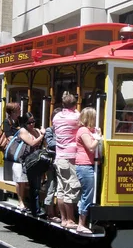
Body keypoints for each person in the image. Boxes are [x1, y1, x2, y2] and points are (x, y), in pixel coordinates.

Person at [52, 92, 81, 229]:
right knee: (71, 188)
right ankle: (70, 219)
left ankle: (63, 218)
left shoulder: (57, 117)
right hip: (70, 157)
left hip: (59, 157)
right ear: (75, 104)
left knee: (61, 189)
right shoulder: (76, 117)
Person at [75, 107, 101, 234]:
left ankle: (82, 222)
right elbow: (91, 147)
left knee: (87, 193)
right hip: (84, 165)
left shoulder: (86, 130)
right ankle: (81, 224)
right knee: (87, 194)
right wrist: (98, 138)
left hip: (86, 165)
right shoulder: (83, 130)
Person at [14, 112, 45, 212]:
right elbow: (32, 143)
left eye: (33, 121)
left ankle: (34, 204)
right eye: (29, 122)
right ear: (25, 123)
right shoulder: (22, 131)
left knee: (33, 182)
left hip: (33, 160)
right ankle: (20, 202)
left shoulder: (36, 131)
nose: (32, 124)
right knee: (21, 181)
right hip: (21, 160)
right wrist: (42, 135)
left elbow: (43, 143)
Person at [43, 107, 62, 222]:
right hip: (52, 161)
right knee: (51, 186)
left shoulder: (64, 130)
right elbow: (50, 144)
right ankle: (49, 212)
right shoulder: (50, 130)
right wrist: (64, 140)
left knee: (61, 187)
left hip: (61, 160)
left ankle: (58, 211)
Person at [3, 102, 21, 184]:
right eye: (18, 110)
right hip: (12, 149)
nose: (20, 111)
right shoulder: (7, 121)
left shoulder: (20, 121)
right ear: (13, 112)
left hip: (19, 148)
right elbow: (9, 136)